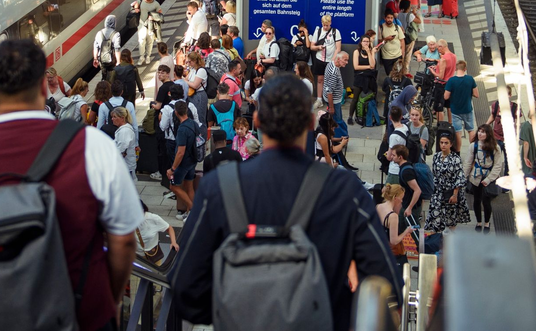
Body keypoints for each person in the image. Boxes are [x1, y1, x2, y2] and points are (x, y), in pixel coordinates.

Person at [0, 39, 142, 331]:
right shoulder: (91, 146)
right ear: (44, 88)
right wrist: (107, 300)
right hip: (81, 318)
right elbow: (123, 239)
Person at [169, 75, 403, 329]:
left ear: (256, 121)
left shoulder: (219, 187)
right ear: (312, 122)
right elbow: (386, 281)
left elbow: (184, 285)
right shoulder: (344, 190)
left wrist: (232, 312)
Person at [425, 132, 471, 233]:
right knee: (436, 217)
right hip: (438, 192)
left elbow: (459, 177)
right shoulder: (436, 156)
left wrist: (455, 195)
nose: (443, 145)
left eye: (446, 143)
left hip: (450, 193)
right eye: (441, 143)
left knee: (451, 220)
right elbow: (435, 174)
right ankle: (437, 241)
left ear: (451, 144)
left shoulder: (456, 159)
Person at [464, 124, 503, 233]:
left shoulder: (495, 148)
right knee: (476, 200)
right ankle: (479, 222)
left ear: (488, 134)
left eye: (483, 132)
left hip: (488, 178)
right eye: (479, 131)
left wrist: (489, 179)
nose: (480, 133)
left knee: (486, 201)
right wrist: (464, 177)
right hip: (476, 177)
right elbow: (468, 162)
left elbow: (497, 166)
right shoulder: (473, 146)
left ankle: (486, 222)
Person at [167, 101, 198, 222]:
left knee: (173, 186)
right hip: (192, 160)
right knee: (189, 186)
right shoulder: (193, 124)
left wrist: (172, 169)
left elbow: (180, 152)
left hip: (183, 163)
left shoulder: (182, 130)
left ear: (176, 112)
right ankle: (190, 212)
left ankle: (192, 209)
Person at [481, 85, 518, 176]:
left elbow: (517, 122)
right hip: (496, 137)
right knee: (493, 159)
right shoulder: (496, 105)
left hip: (508, 139)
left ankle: (506, 181)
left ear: (510, 95)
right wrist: (486, 125)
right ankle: (492, 178)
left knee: (508, 161)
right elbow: (493, 116)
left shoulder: (514, 107)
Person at [376, 184, 414, 270]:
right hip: (390, 252)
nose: (401, 201)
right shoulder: (393, 216)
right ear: (395, 198)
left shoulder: (379, 207)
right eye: (401, 198)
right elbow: (394, 241)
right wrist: (407, 231)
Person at [388, 145, 422, 230]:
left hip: (412, 207)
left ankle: (421, 243)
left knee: (415, 232)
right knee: (399, 228)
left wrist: (409, 208)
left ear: (400, 157)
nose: (391, 157)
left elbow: (417, 190)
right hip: (406, 205)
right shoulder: (404, 167)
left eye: (394, 155)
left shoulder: (406, 172)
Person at [310, 15, 342, 107]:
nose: (325, 27)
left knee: (330, 81)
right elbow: (312, 46)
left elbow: (338, 48)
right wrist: (318, 47)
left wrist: (333, 60)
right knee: (320, 79)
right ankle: (319, 99)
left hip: (331, 60)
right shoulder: (318, 31)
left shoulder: (336, 32)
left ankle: (329, 101)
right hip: (320, 58)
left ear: (330, 23)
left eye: (327, 25)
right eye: (324, 25)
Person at [444, 61, 478, 142]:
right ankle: (472, 150)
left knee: (457, 132)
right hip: (467, 109)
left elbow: (446, 96)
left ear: (456, 69)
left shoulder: (451, 81)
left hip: (455, 110)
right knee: (471, 130)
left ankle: (458, 151)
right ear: (465, 69)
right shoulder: (470, 79)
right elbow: (476, 94)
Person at [349, 35, 379, 125]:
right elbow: (356, 66)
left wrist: (369, 52)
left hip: (369, 79)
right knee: (355, 98)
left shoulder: (371, 51)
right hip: (359, 78)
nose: (366, 43)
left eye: (367, 41)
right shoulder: (356, 52)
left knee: (368, 98)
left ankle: (365, 116)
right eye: (364, 41)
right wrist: (368, 67)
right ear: (361, 42)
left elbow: (373, 65)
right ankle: (350, 116)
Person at [132, 0, 163, 65]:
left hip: (151, 25)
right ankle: (141, 56)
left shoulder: (156, 4)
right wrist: (136, 8)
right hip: (142, 23)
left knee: (150, 41)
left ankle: (148, 56)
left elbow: (160, 14)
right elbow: (136, 3)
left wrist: (153, 17)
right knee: (141, 41)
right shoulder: (141, 0)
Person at [111, 107, 138, 180]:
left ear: (122, 118)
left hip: (125, 166)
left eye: (114, 117)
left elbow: (122, 147)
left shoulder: (125, 131)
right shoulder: (124, 129)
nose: (112, 119)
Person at [93, 15, 121, 80]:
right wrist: (118, 61)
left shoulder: (99, 33)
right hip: (112, 60)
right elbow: (117, 49)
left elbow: (95, 47)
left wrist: (95, 59)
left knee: (104, 75)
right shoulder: (116, 34)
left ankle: (104, 85)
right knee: (113, 77)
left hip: (102, 60)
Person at [185, 51, 210, 123]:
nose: (189, 64)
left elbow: (195, 85)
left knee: (200, 118)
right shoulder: (192, 70)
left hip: (199, 95)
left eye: (190, 62)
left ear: (195, 61)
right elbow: (187, 79)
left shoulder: (201, 71)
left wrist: (186, 82)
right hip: (192, 95)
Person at [378, 10, 405, 75]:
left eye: (391, 18)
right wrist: (386, 39)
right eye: (388, 18)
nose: (390, 19)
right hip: (387, 57)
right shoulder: (381, 28)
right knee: (390, 75)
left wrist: (402, 54)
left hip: (398, 55)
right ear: (385, 18)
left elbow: (402, 41)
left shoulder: (397, 27)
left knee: (398, 74)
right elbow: (379, 43)